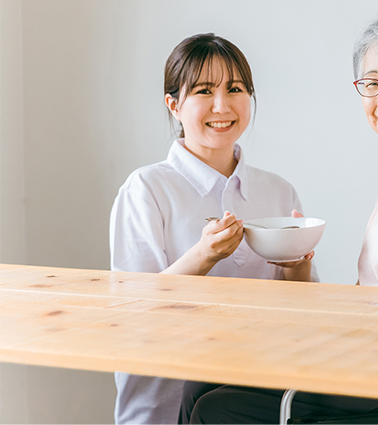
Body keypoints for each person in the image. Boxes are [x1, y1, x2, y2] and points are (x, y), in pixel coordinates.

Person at [180, 8, 378, 424]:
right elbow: (372, 294)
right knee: (201, 380)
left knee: (218, 409)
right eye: (371, 84)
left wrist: (324, 341)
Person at [110, 33, 316, 425]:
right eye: (204, 90)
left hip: (250, 405)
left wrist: (297, 264)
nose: (222, 105)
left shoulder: (278, 191)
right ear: (174, 105)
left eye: (235, 89)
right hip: (162, 408)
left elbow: (299, 315)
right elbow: (133, 311)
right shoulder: (146, 189)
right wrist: (202, 256)